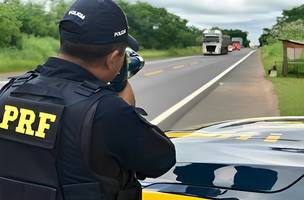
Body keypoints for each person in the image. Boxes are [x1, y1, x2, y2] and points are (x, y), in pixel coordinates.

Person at [0, 0, 176, 200]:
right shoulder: (107, 111)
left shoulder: (10, 91)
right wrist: (124, 101)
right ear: (113, 58)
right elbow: (161, 160)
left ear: (63, 43)